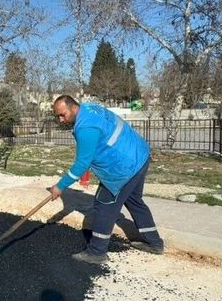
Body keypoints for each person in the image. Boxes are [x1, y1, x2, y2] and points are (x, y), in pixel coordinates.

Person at [49, 95, 164, 264]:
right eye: (58, 116)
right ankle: (155, 243)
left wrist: (60, 186)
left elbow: (82, 164)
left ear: (74, 108)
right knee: (134, 200)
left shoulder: (86, 127)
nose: (61, 120)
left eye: (62, 114)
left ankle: (97, 252)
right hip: (139, 155)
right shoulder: (88, 108)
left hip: (122, 166)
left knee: (104, 205)